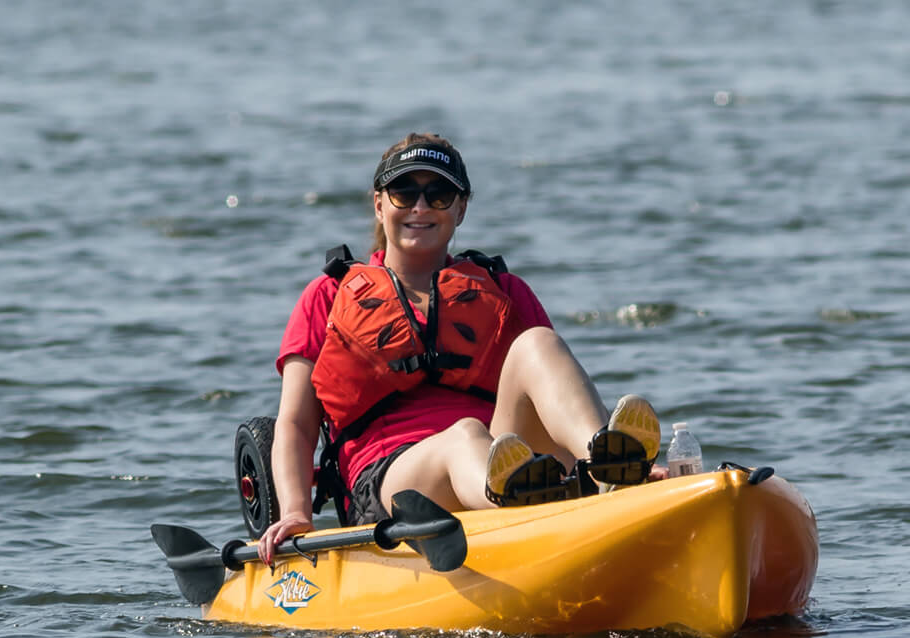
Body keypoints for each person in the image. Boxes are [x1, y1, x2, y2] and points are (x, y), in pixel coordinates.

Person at [258, 132, 665, 564]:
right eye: (404, 192)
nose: (419, 207)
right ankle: (529, 508)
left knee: (537, 344)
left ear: (460, 208)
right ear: (379, 204)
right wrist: (296, 513)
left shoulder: (502, 290)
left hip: (504, 457)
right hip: (389, 480)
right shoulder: (328, 293)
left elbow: (548, 390)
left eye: (439, 195)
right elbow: (297, 425)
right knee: (464, 436)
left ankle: (608, 468)